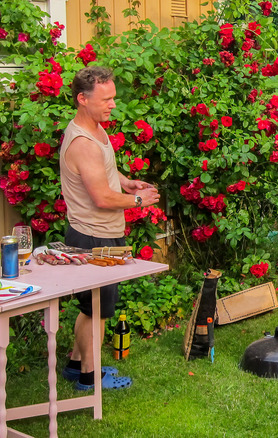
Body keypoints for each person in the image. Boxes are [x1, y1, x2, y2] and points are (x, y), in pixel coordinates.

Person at [59, 66, 160, 391]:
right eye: (106, 99)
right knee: (99, 310)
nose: (112, 104)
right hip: (93, 236)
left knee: (93, 307)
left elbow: (104, 174)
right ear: (82, 99)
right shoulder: (84, 142)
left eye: (113, 98)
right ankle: (90, 376)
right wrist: (140, 201)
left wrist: (127, 183)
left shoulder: (96, 131)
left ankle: (76, 364)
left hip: (101, 232)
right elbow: (102, 197)